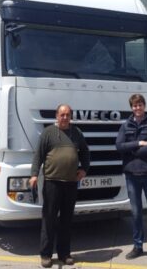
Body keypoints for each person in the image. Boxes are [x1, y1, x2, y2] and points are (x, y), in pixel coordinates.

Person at [29, 104, 90, 268]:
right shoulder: (48, 133)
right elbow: (38, 155)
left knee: (66, 220)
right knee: (49, 219)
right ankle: (46, 255)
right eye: (62, 115)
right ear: (57, 116)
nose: (65, 118)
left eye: (68, 115)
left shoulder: (76, 133)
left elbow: (85, 152)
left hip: (70, 184)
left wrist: (84, 169)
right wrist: (34, 174)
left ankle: (64, 254)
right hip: (52, 183)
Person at [115, 94, 147, 266]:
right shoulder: (125, 126)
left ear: (144, 106)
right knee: (135, 214)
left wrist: (132, 150)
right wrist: (138, 144)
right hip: (131, 176)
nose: (137, 108)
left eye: (140, 105)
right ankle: (138, 246)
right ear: (131, 108)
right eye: (134, 105)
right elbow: (119, 146)